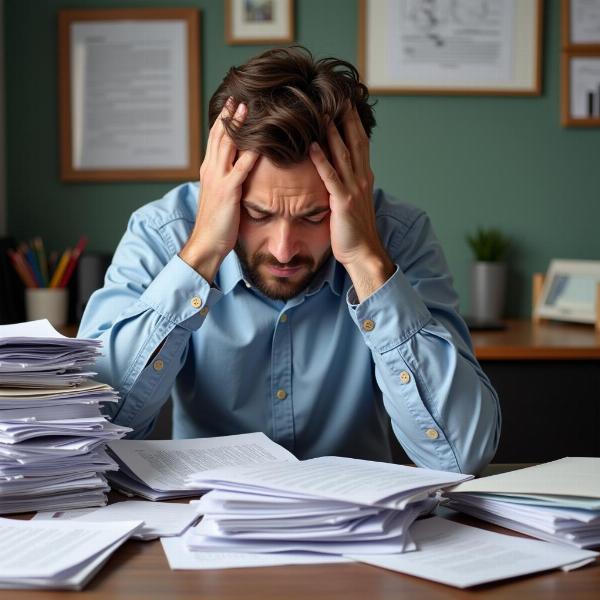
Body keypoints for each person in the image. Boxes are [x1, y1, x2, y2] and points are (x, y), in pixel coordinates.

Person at [79, 47, 500, 474]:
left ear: (354, 187)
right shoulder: (162, 232)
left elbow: (460, 455)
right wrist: (201, 252)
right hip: (205, 517)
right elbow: (88, 434)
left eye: (315, 216)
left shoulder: (398, 236)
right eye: (258, 214)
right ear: (219, 182)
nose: (283, 249)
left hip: (363, 526)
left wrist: (368, 263)